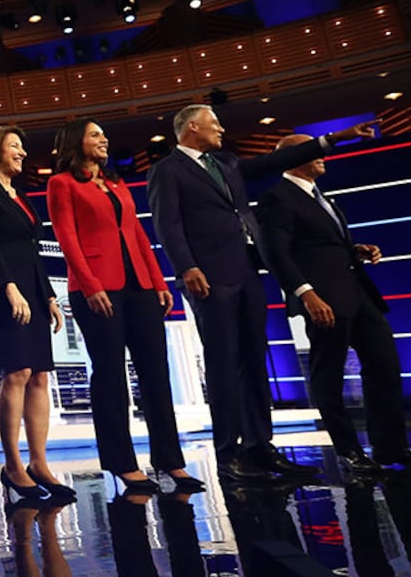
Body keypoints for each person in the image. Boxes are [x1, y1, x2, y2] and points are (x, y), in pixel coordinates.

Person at [147, 105, 373, 483]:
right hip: (208, 277)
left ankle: (260, 447)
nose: (221, 128)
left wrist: (333, 139)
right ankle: (228, 454)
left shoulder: (227, 163)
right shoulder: (167, 170)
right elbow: (166, 224)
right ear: (192, 127)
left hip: (246, 273)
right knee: (222, 364)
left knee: (254, 360)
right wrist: (186, 267)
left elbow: (279, 159)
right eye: (214, 122)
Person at [255, 134, 411, 475]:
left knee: (385, 366)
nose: (323, 157)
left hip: (359, 294)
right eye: (313, 151)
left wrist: (355, 250)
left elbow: (319, 245)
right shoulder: (275, 199)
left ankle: (391, 448)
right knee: (328, 378)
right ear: (293, 157)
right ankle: (349, 452)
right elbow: (275, 253)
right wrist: (307, 294)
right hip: (323, 301)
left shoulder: (322, 197)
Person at [47, 119, 201, 495]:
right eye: (95, 135)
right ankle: (121, 462)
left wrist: (157, 282)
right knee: (111, 375)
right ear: (76, 142)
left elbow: (135, 232)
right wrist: (90, 284)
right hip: (97, 288)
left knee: (155, 373)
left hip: (139, 287)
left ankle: (170, 459)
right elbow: (66, 238)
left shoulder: (117, 182)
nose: (104, 139)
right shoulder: (61, 184)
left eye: (104, 134)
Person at [0, 125, 65, 504]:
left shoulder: (19, 195)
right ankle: (13, 465)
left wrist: (49, 296)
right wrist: (8, 286)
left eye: (22, 146)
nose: (22, 152)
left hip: (31, 290)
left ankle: (40, 464)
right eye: (14, 146)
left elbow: (31, 250)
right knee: (17, 371)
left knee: (39, 374)